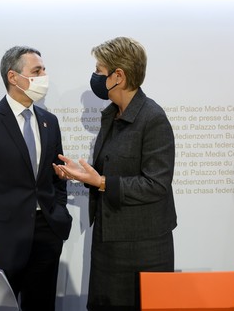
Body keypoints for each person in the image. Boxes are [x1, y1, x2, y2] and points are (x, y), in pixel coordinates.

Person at [54, 36, 177, 311]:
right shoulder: (111, 114)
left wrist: (101, 181)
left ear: (118, 76)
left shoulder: (153, 117)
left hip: (143, 247)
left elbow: (156, 184)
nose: (95, 77)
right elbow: (109, 173)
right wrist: (83, 175)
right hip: (108, 243)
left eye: (99, 70)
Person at [0, 46, 72, 311]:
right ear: (13, 77)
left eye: (44, 70)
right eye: (37, 71)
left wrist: (59, 212)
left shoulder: (49, 121)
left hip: (46, 237)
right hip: (0, 242)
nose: (44, 76)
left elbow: (57, 177)